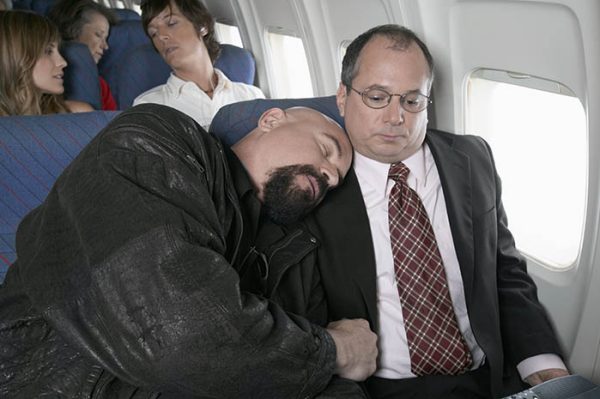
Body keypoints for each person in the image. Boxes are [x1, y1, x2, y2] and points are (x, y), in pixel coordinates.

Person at [245, 24, 570, 398]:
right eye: (377, 97)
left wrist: (540, 360)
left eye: (412, 100)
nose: (396, 117)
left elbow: (504, 270)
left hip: (489, 377)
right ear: (342, 98)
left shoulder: (472, 158)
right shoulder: (316, 182)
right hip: (376, 390)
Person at [0, 102, 378, 398]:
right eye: (326, 150)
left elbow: (310, 378)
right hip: (62, 375)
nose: (329, 174)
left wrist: (330, 360)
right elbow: (174, 333)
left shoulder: (294, 248)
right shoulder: (156, 137)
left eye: (334, 180)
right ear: (272, 120)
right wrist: (335, 350)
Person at [133, 0, 265, 131]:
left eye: (171, 23)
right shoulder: (148, 107)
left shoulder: (251, 96)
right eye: (153, 34)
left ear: (202, 26)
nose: (161, 36)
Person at [0, 10, 93, 116]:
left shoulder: (78, 115)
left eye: (59, 51)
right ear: (13, 56)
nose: (63, 62)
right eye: (48, 51)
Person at [48, 0, 119, 110]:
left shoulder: (100, 85)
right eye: (98, 35)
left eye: (106, 39)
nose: (105, 46)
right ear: (71, 32)